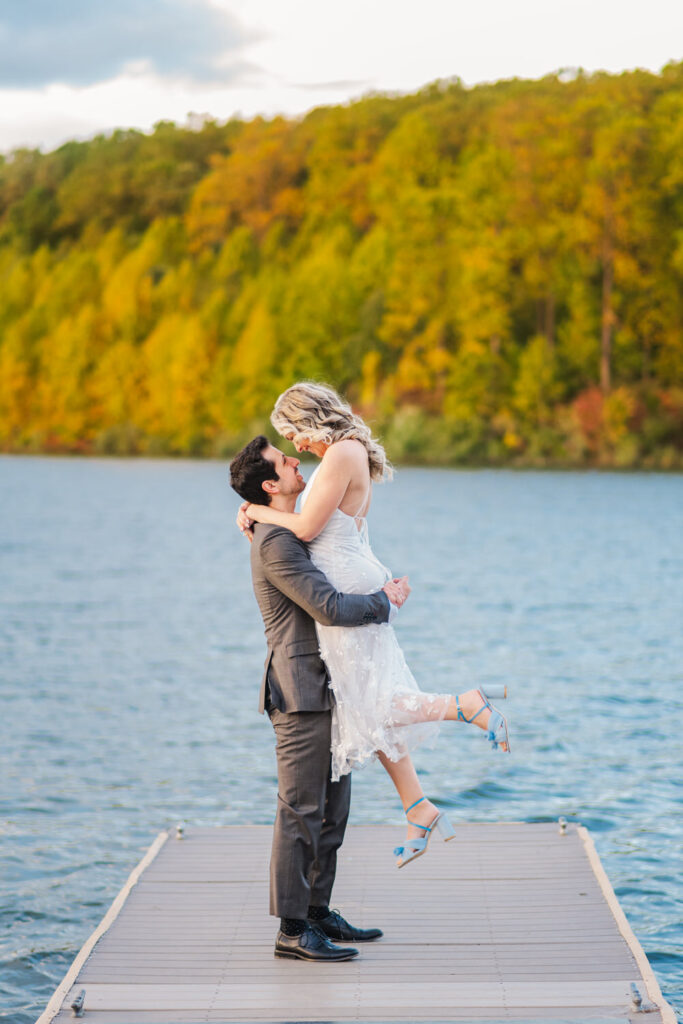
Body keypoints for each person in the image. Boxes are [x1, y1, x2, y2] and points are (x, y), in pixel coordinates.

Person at [237, 382, 510, 870]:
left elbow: (301, 530)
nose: (297, 445)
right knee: (368, 709)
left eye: (294, 433)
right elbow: (303, 528)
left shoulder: (341, 453)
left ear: (311, 419)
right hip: (353, 575)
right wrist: (262, 512)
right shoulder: (346, 451)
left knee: (372, 705)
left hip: (346, 589)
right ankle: (417, 807)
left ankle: (464, 705)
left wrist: (252, 510)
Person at [229, 435, 410, 962]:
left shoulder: (287, 532)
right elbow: (327, 607)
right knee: (301, 811)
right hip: (301, 689)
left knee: (333, 809)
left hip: (330, 686)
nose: (296, 461)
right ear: (270, 485)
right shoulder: (275, 543)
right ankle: (291, 928)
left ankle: (316, 911)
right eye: (285, 462)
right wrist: (385, 602)